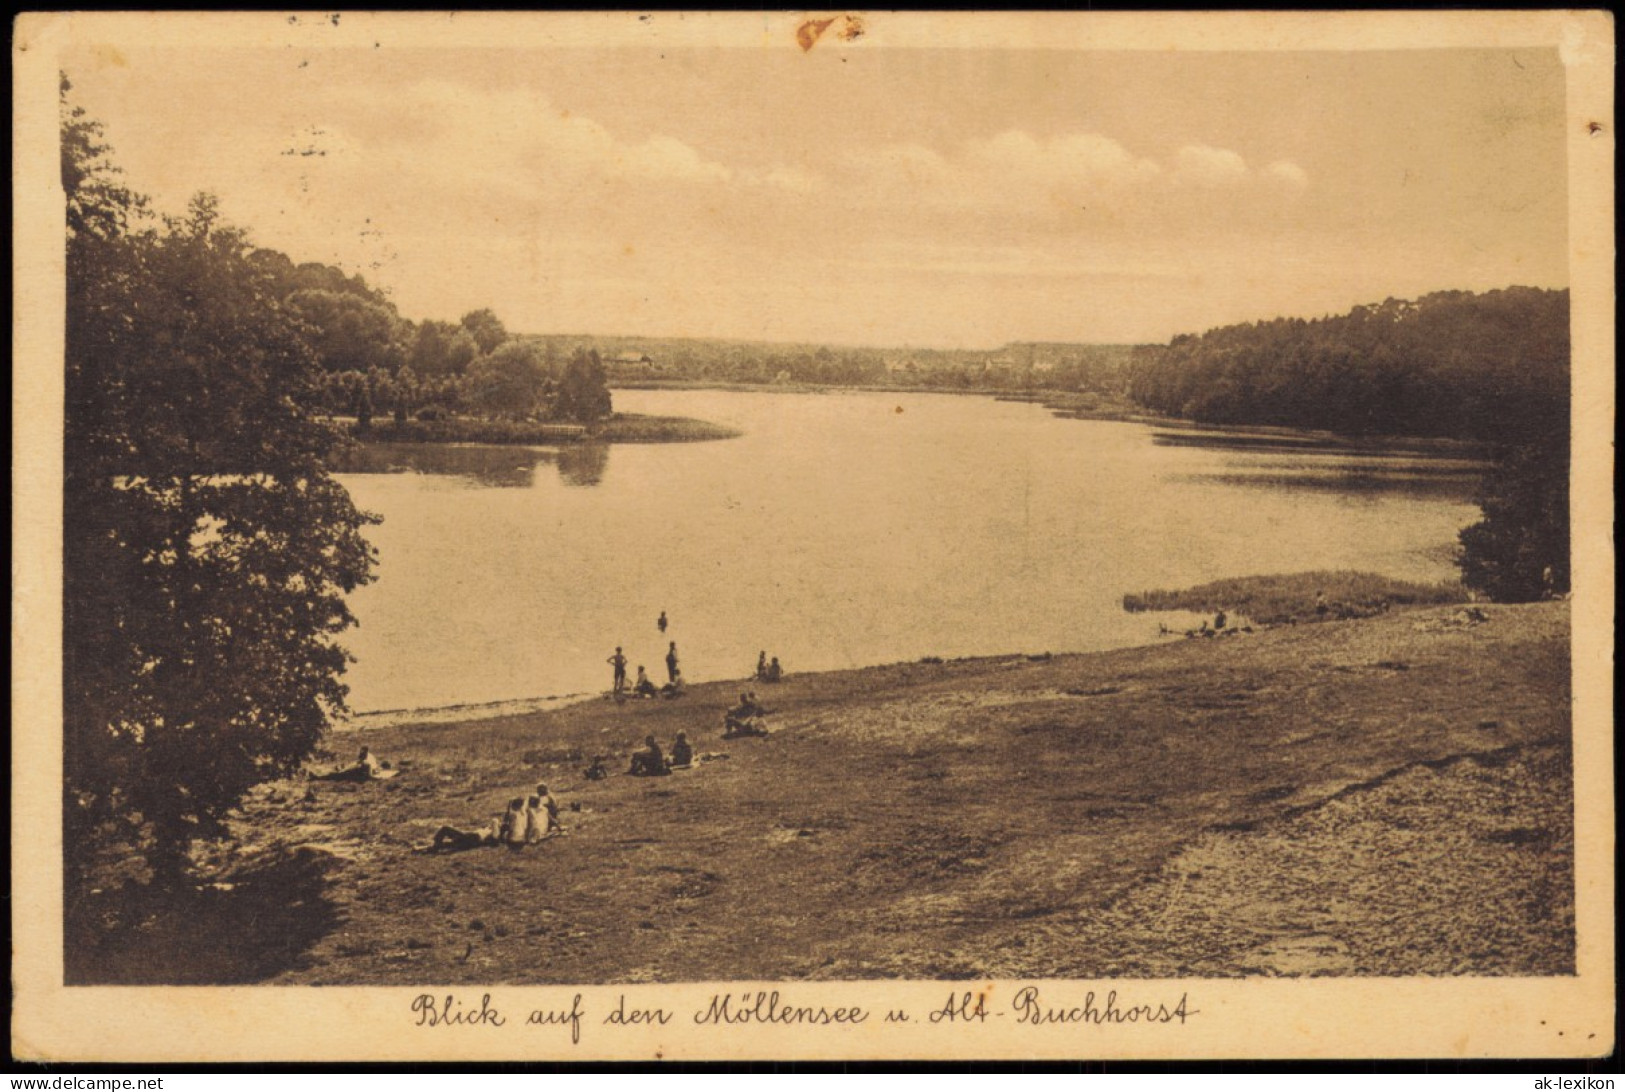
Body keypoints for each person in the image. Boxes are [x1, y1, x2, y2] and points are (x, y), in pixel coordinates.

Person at [313, 745, 382, 782]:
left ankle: (318, 777)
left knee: (335, 775)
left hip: (353, 775)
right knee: (335, 774)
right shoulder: (365, 761)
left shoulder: (366, 763)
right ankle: (318, 777)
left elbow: (369, 775)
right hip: (352, 774)